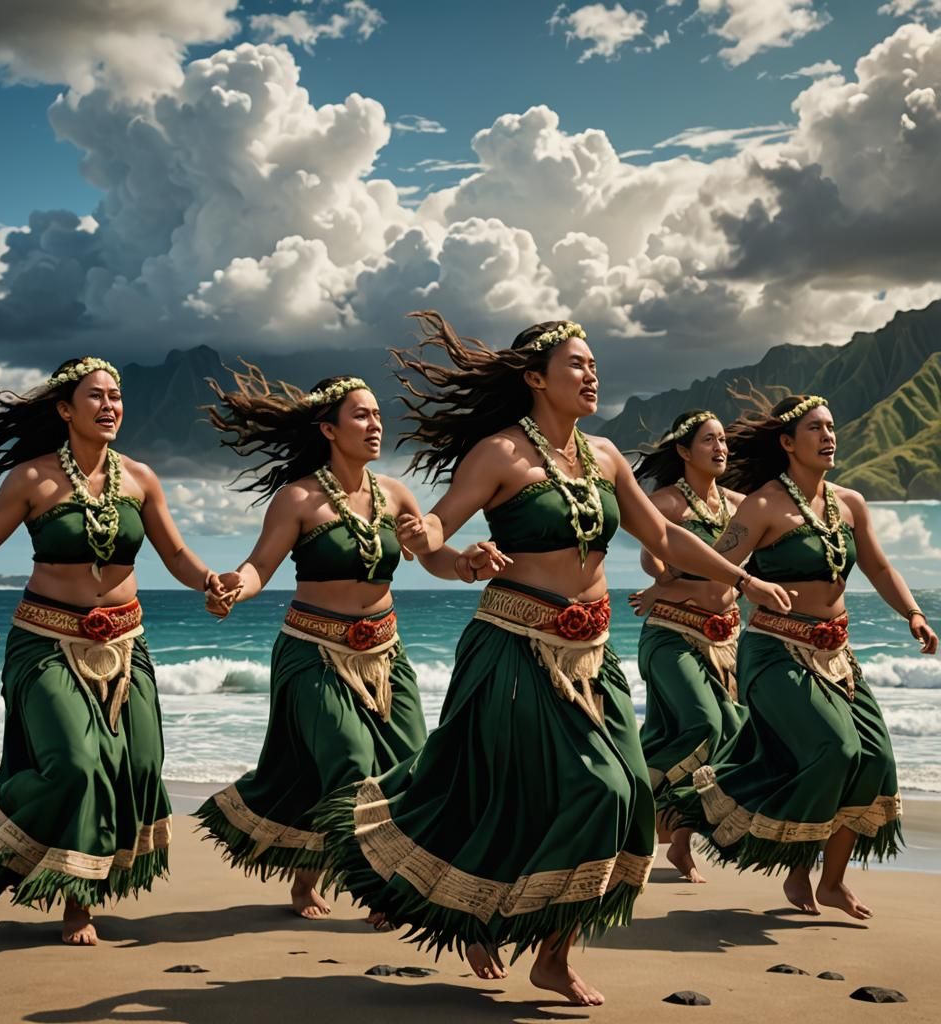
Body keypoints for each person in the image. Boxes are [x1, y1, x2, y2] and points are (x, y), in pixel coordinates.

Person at [317, 313, 792, 1006]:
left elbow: (661, 532)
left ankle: (551, 954)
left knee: (626, 794)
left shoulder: (604, 457)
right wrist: (441, 548)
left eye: (595, 364)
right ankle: (482, 912)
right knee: (535, 790)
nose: (592, 374)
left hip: (592, 651)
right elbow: (439, 531)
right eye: (577, 364)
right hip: (514, 645)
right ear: (536, 378)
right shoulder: (499, 453)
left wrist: (744, 581)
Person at [0, 357, 229, 945]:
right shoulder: (32, 479)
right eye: (96, 397)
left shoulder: (141, 479)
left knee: (141, 766)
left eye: (116, 396)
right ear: (66, 410)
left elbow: (175, 554)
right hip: (46, 642)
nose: (110, 406)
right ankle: (69, 894)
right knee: (74, 766)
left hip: (126, 641)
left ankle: (84, 878)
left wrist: (210, 582)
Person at [195, 367, 506, 920]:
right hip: (313, 651)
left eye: (378, 415)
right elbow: (260, 566)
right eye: (361, 415)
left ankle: (322, 875)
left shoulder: (395, 494)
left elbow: (430, 554)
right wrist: (231, 590)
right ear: (329, 429)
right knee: (348, 761)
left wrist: (465, 565)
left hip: (386, 652)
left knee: (410, 765)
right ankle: (376, 888)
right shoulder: (298, 498)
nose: (375, 424)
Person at [660, 393, 937, 919]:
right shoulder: (763, 505)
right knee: (837, 750)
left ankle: (830, 882)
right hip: (775, 652)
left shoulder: (850, 503)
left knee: (874, 759)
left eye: (832, 427)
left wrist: (912, 614)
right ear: (788, 443)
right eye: (816, 428)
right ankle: (760, 845)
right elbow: (715, 565)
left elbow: (878, 568)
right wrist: (681, 589)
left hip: (838, 652)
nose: (829, 436)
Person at [630, 411, 747, 883]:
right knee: (705, 723)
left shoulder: (741, 507)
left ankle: (679, 843)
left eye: (723, 441)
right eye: (708, 441)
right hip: (671, 637)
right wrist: (670, 589)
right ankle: (631, 803)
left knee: (730, 733)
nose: (720, 448)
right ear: (683, 452)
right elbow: (654, 563)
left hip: (727, 642)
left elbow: (741, 582)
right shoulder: (662, 505)